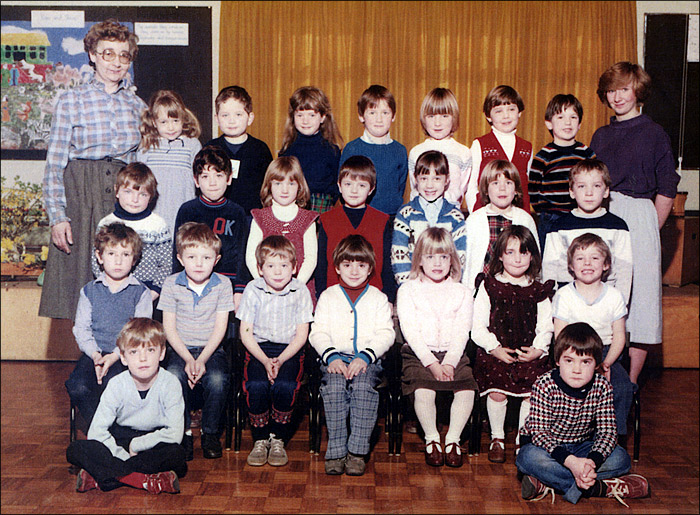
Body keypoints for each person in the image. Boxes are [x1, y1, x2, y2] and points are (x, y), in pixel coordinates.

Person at [40, 19, 146, 320]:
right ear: (93, 55)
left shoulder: (138, 106)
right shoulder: (70, 100)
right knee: (84, 290)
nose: (116, 62)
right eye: (108, 53)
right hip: (81, 195)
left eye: (124, 55)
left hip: (123, 196)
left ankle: (119, 363)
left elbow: (143, 163)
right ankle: (89, 362)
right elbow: (55, 162)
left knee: (122, 280)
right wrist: (58, 216)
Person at [590, 61, 680, 385]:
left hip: (641, 216)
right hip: (605, 215)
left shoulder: (655, 133)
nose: (617, 97)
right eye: (611, 91)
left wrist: (648, 231)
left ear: (637, 91)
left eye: (624, 89)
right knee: (603, 295)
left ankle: (629, 384)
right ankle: (601, 376)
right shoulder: (600, 135)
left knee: (640, 301)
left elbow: (667, 186)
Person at [516, 322, 649, 506]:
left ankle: (548, 483)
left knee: (621, 459)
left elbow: (607, 432)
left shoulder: (602, 386)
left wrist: (590, 461)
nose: (576, 369)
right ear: (557, 360)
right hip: (546, 448)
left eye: (585, 362)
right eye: (569, 361)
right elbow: (539, 433)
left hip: (583, 446)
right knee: (526, 458)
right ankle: (600, 488)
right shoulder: (544, 384)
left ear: (596, 364)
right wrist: (571, 463)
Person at [66, 318, 186, 494]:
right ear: (123, 357)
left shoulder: (171, 383)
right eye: (134, 352)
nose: (143, 358)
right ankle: (142, 480)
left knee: (177, 454)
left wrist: (137, 445)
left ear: (161, 353)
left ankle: (103, 478)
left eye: (150, 350)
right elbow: (97, 431)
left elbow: (174, 433)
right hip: (120, 441)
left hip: (153, 441)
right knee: (75, 450)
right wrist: (121, 456)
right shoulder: (116, 384)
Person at [309, 235, 395, 476]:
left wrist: (366, 356)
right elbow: (318, 333)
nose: (354, 271)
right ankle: (336, 451)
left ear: (370, 269)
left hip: (367, 361)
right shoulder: (328, 296)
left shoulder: (378, 298)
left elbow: (386, 333)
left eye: (361, 265)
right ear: (337, 267)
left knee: (363, 389)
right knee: (334, 389)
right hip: (334, 360)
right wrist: (331, 356)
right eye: (347, 265)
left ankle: (357, 452)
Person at [471, 225, 554, 463]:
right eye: (510, 252)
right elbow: (477, 326)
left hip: (528, 352)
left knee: (532, 392)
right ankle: (497, 438)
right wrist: (493, 348)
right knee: (497, 391)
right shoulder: (489, 285)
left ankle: (522, 438)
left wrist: (538, 349)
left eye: (524, 252)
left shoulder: (538, 290)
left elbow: (546, 326)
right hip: (497, 352)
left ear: (532, 256)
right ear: (499, 255)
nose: (517, 259)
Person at [397, 227, 476, 468]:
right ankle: (432, 439)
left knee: (466, 390)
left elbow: (463, 331)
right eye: (430, 257)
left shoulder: (462, 291)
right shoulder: (408, 289)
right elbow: (410, 330)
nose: (437, 263)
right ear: (419, 259)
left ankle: (452, 440)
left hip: (452, 353)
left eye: (443, 256)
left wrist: (450, 361)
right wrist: (431, 363)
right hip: (419, 354)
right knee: (424, 391)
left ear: (452, 259)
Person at [159, 222, 234, 461]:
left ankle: (210, 433)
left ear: (217, 259)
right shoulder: (171, 284)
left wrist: (201, 360)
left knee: (217, 379)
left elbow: (221, 328)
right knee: (173, 376)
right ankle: (183, 434)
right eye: (192, 257)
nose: (199, 263)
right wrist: (188, 359)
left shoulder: (223, 284)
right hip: (180, 349)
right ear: (181, 259)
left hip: (210, 349)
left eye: (206, 257)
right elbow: (169, 329)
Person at [237, 236, 314, 467]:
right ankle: (260, 439)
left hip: (289, 350)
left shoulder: (300, 290)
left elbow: (302, 335)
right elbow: (246, 332)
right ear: (260, 269)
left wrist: (279, 360)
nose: (278, 272)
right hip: (258, 348)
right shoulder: (253, 289)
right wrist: (264, 360)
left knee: (285, 386)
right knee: (256, 385)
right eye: (270, 266)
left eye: (284, 266)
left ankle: (277, 437)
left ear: (294, 267)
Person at [66, 222, 152, 427]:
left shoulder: (141, 293)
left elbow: (138, 334)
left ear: (134, 259)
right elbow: (82, 329)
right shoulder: (89, 291)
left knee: (114, 385)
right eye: (112, 254)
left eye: (125, 255)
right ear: (100, 256)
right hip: (94, 353)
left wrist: (114, 356)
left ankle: (117, 430)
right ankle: (100, 429)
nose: (118, 261)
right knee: (77, 385)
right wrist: (96, 355)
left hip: (124, 355)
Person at [552, 233, 635, 440]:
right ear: (571, 266)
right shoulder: (564, 295)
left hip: (606, 353)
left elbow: (619, 337)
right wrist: (574, 361)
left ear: (606, 264)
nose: (587, 263)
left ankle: (613, 439)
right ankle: (569, 435)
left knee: (622, 386)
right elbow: (559, 336)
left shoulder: (615, 296)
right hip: (573, 352)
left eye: (595, 258)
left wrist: (605, 364)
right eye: (580, 258)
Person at [542, 159, 632, 304]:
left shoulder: (618, 226)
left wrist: (620, 304)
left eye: (596, 186)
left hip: (606, 297)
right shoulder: (558, 226)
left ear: (606, 191)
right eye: (582, 186)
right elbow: (549, 267)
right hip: (568, 298)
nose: (589, 193)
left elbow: (624, 269)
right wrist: (551, 302)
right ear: (571, 191)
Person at [174, 145, 249, 310]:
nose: (213, 183)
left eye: (219, 175)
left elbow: (242, 254)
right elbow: (177, 254)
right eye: (205, 176)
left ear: (229, 179)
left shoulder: (237, 212)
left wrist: (239, 290)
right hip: (192, 284)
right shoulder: (187, 210)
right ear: (196, 181)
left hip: (227, 287)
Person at [315, 155, 396, 303]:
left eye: (361, 185)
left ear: (371, 189)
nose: (354, 190)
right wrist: (321, 297)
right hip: (335, 299)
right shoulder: (327, 219)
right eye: (348, 184)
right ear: (339, 186)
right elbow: (321, 266)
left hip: (372, 299)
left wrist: (389, 299)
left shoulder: (382, 220)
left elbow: (387, 266)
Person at [90, 163, 171, 298]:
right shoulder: (106, 222)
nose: (135, 199)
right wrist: (107, 289)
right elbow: (96, 259)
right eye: (128, 192)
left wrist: (154, 292)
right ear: (117, 191)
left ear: (151, 196)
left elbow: (166, 264)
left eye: (143, 194)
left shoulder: (158, 225)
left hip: (147, 292)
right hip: (112, 291)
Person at [528, 94, 597, 250]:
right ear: (549, 123)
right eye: (560, 117)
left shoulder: (587, 154)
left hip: (581, 214)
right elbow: (533, 188)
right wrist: (545, 212)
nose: (567, 122)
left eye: (573, 117)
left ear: (579, 123)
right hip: (552, 218)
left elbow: (597, 181)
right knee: (551, 259)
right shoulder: (543, 156)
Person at [246, 156, 318, 300]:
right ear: (269, 186)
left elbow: (311, 259)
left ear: (299, 187)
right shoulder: (260, 217)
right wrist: (264, 284)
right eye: (278, 184)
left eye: (291, 184)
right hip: (265, 292)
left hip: (299, 291)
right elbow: (251, 257)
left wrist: (295, 287)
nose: (284, 190)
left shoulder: (307, 219)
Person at [391, 150, 467, 286]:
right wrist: (408, 288)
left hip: (446, 289)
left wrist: (450, 287)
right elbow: (398, 255)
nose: (430, 185)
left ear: (447, 180)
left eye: (437, 179)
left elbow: (459, 257)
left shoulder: (455, 217)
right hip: (412, 288)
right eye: (424, 178)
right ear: (415, 179)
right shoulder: (405, 214)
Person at [463, 159, 539, 291]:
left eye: (508, 183)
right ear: (486, 189)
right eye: (495, 183)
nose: (502, 188)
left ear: (516, 189)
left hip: (517, 291)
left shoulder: (525, 219)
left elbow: (535, 259)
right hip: (481, 292)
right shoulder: (475, 220)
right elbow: (466, 261)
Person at [137, 90, 202, 239]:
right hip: (155, 212)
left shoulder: (192, 145)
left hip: (183, 210)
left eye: (175, 121)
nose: (171, 127)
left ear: (183, 119)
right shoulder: (147, 146)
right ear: (154, 122)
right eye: (164, 122)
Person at [338, 84, 408, 217]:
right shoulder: (352, 149)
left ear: (393, 116)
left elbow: (400, 186)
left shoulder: (400, 151)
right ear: (361, 116)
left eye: (385, 113)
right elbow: (342, 185)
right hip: (359, 215)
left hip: (391, 217)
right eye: (372, 112)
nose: (379, 119)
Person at [205, 85, 273, 215]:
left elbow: (269, 188)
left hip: (251, 218)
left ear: (250, 118)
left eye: (238, 114)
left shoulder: (260, 150)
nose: (231, 121)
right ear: (216, 119)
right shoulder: (210, 149)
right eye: (225, 115)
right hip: (217, 216)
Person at [467, 85, 533, 213]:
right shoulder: (480, 144)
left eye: (511, 109)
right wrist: (475, 216)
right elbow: (472, 187)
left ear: (519, 112)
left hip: (518, 218)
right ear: (488, 116)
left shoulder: (527, 148)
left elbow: (526, 189)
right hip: (486, 215)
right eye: (499, 111)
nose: (506, 116)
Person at [278, 86, 343, 213]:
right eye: (300, 115)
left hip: (322, 206)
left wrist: (329, 201)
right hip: (293, 204)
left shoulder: (331, 150)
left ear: (323, 117)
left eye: (311, 115)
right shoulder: (287, 150)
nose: (305, 121)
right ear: (293, 117)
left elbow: (337, 183)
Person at [407, 88, 471, 209]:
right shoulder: (416, 152)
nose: (437, 123)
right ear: (424, 119)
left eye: (444, 116)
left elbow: (461, 191)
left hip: (450, 216)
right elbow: (415, 187)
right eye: (431, 116)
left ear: (454, 118)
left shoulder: (463, 152)